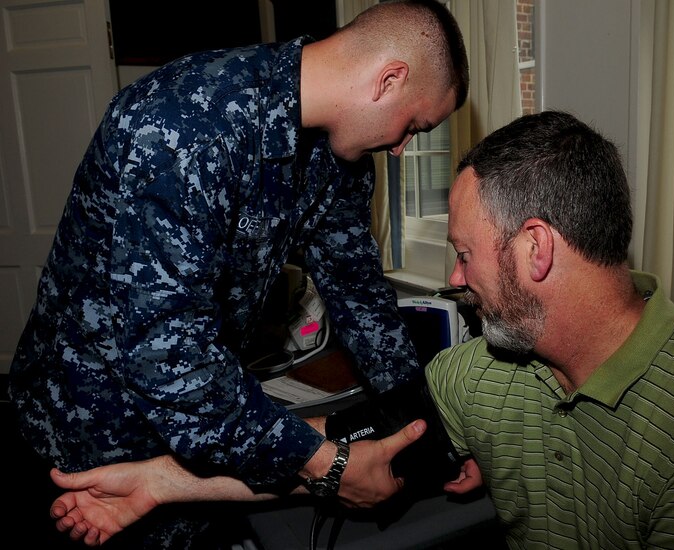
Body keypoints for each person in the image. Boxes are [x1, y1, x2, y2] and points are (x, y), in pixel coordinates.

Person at [47, 111, 674, 548]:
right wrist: (157, 482)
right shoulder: (486, 372)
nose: (453, 281)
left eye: (462, 254)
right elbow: (338, 451)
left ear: (536, 250)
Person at [9, 0, 468, 547]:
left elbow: (359, 291)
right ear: (388, 80)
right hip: (94, 423)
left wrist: (430, 432)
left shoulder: (339, 158)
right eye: (412, 125)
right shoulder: (186, 125)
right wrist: (326, 464)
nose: (401, 148)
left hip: (208, 418)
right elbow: (172, 363)